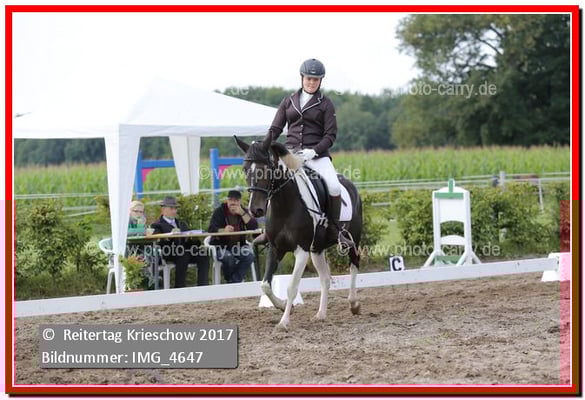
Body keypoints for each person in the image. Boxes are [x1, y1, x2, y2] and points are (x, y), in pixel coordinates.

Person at [266, 58, 354, 250]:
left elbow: (330, 135)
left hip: (317, 156)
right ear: (302, 78)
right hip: (290, 155)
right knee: (271, 180)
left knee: (334, 187)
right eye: (308, 79)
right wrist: (265, 145)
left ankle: (334, 229)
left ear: (320, 81)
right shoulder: (288, 101)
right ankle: (269, 228)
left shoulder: (326, 104)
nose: (311, 82)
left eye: (315, 80)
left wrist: (314, 151)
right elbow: (276, 128)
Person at [150, 196, 209, 288]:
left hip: (185, 250)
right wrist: (170, 236)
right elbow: (158, 242)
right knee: (183, 255)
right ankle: (179, 287)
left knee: (203, 254)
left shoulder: (181, 224)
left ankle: (203, 286)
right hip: (169, 251)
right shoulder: (157, 225)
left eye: (175, 208)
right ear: (163, 209)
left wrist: (193, 239)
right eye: (171, 208)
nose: (174, 211)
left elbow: (192, 243)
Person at [208, 190, 258, 283]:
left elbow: (254, 227)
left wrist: (242, 214)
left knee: (249, 256)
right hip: (221, 247)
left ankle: (233, 281)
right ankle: (233, 282)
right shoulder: (220, 211)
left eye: (236, 200)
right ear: (227, 201)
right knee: (228, 257)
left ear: (239, 202)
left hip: (239, 246)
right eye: (231, 200)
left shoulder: (243, 211)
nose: (233, 203)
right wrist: (223, 230)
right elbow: (211, 229)